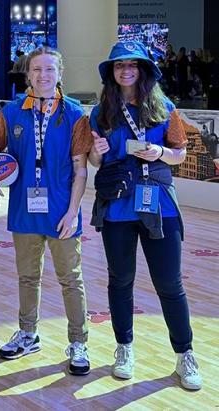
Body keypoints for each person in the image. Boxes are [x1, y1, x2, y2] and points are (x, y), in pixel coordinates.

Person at [89, 41, 202, 390]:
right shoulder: (100, 112)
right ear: (112, 71)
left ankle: (185, 355)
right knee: (120, 280)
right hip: (117, 206)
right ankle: (124, 348)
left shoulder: (164, 107)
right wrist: (97, 151)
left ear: (143, 70)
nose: (126, 71)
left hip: (159, 204)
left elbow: (180, 154)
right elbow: (94, 162)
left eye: (133, 65)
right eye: (119, 65)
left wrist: (160, 151)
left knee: (170, 282)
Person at [0, 47, 93, 375]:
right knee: (28, 277)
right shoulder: (12, 112)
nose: (43, 75)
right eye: (37, 69)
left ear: (59, 74)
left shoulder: (73, 114)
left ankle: (78, 341)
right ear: (27, 74)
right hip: (24, 212)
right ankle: (28, 334)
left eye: (50, 70)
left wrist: (73, 212)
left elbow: (81, 171)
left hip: (61, 213)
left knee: (70, 279)